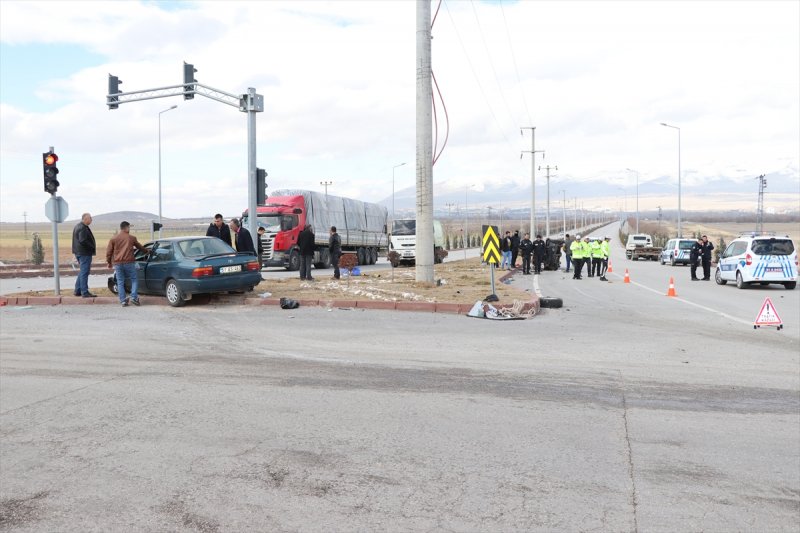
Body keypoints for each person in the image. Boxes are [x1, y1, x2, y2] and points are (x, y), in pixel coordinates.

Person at [106, 221, 147, 307]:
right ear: (126, 228)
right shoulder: (131, 238)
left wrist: (109, 263)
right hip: (129, 263)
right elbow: (140, 248)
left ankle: (123, 301)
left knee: (120, 281)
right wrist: (148, 251)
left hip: (118, 263)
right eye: (129, 228)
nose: (129, 229)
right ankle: (134, 297)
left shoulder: (113, 239)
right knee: (134, 279)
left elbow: (109, 252)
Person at [71, 212, 97, 298]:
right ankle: (84, 292)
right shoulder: (82, 228)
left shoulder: (78, 226)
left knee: (82, 271)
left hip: (79, 252)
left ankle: (77, 290)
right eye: (90, 218)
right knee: (84, 272)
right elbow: (83, 240)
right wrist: (91, 246)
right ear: (85, 219)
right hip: (84, 253)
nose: (91, 219)